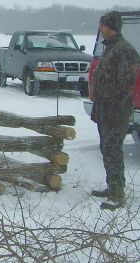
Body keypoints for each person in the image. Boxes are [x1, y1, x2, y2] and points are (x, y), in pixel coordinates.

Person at [90, 11, 140, 210]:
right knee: (107, 148)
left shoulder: (124, 50)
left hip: (115, 111)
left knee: (113, 150)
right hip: (104, 109)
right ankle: (112, 187)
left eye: (102, 25)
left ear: (110, 26)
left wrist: (111, 103)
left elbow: (125, 85)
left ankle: (117, 194)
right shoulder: (110, 48)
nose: (100, 29)